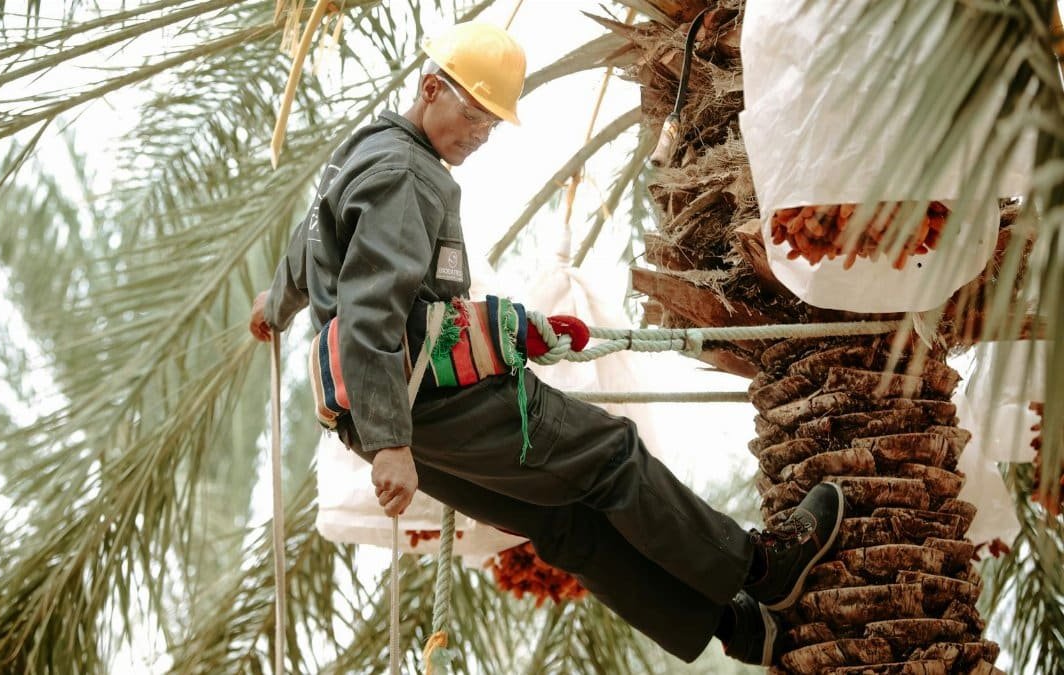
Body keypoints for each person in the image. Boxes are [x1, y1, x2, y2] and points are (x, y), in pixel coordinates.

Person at [249, 20, 846, 667]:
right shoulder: (406, 173)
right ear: (429, 89)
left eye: (492, 125)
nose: (479, 136)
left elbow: (310, 249)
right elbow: (372, 308)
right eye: (474, 116)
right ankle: (763, 568)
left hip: (368, 416)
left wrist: (274, 305)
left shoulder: (359, 155)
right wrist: (394, 441)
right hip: (426, 398)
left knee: (560, 520)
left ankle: (735, 627)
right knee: (611, 454)